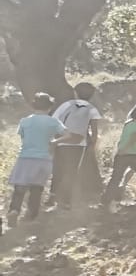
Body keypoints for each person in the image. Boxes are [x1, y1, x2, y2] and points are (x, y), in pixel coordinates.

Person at [8, 93, 63, 225]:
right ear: (50, 107)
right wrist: (55, 141)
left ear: (33, 105)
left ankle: (14, 211)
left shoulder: (25, 121)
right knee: (37, 189)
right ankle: (31, 217)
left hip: (25, 157)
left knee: (19, 188)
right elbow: (67, 134)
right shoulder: (53, 121)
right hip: (44, 159)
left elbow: (22, 137)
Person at [48, 82, 104, 212]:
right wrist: (93, 145)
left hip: (61, 140)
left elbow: (54, 121)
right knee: (71, 172)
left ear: (75, 92)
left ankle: (53, 196)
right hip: (78, 144)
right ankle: (66, 201)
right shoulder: (92, 109)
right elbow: (94, 131)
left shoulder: (66, 105)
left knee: (58, 169)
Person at [103, 106, 136, 208]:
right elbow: (133, 138)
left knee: (115, 178)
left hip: (120, 154)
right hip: (132, 155)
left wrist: (120, 151)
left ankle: (106, 199)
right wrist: (125, 149)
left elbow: (123, 139)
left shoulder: (128, 124)